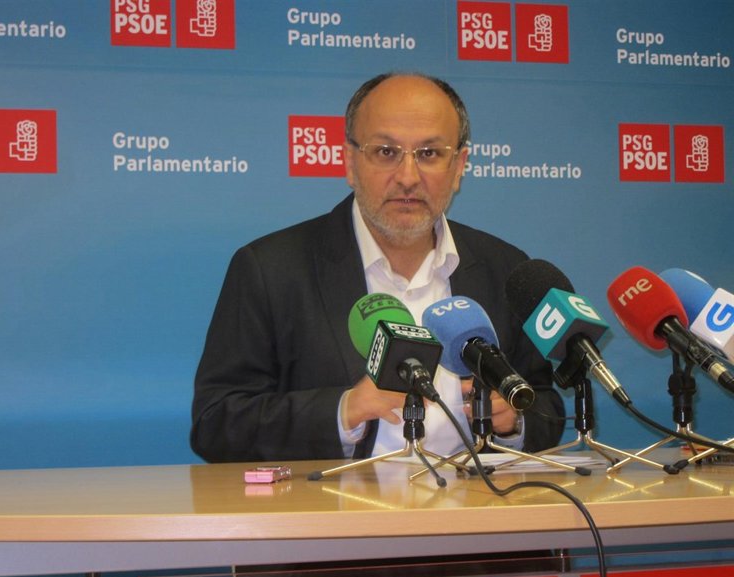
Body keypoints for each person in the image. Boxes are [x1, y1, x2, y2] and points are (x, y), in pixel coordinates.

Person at [191, 72, 565, 464]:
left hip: (475, 498)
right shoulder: (272, 270)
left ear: (458, 167)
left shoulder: (504, 268)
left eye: (429, 154)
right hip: (335, 502)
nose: (407, 177)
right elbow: (216, 423)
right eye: (386, 152)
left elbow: (545, 403)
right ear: (350, 162)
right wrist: (344, 411)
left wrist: (514, 421)